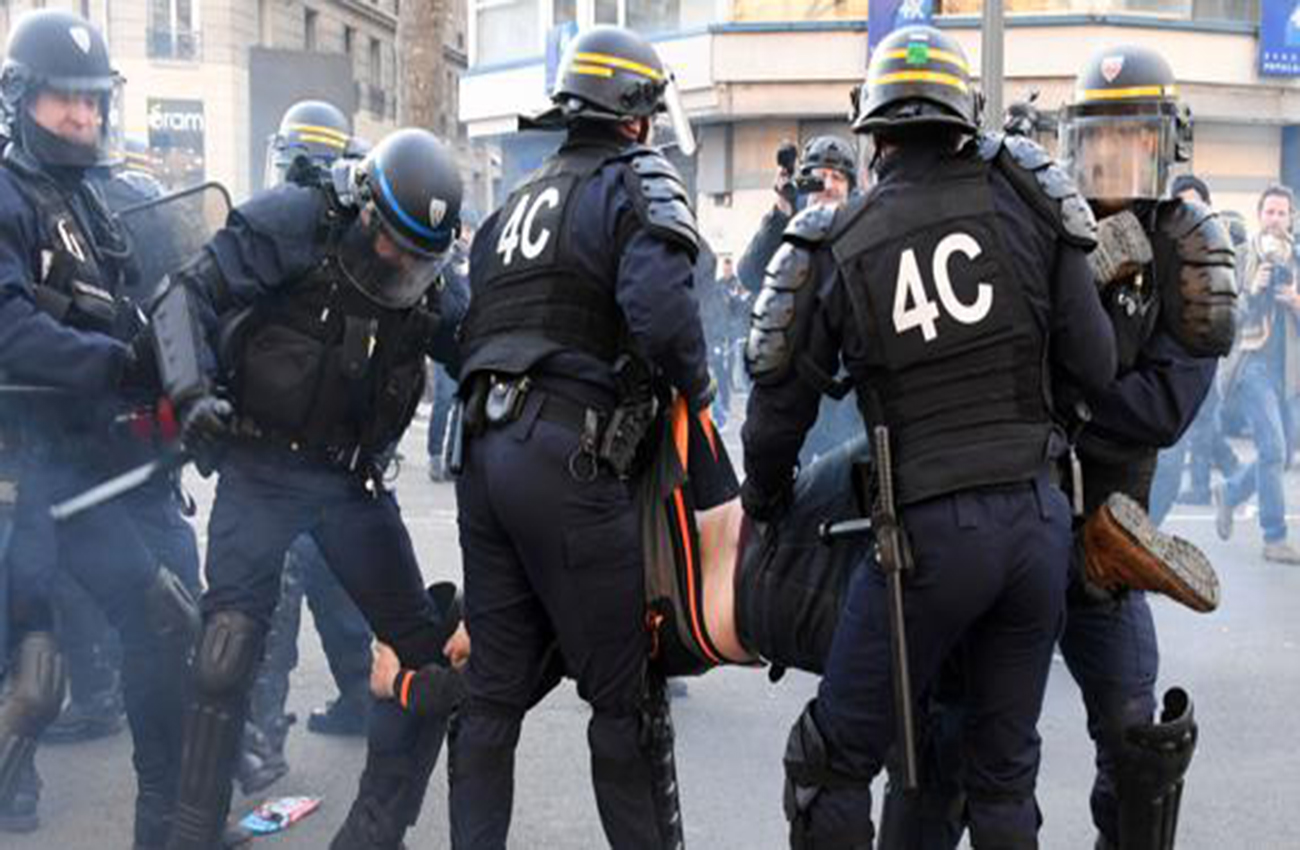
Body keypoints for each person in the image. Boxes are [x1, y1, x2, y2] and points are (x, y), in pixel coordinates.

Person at [740, 26, 1116, 847]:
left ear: (873, 134)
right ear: (962, 117)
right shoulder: (1030, 202)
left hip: (924, 544)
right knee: (1003, 775)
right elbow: (1095, 363)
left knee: (830, 763)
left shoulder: (841, 236)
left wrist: (765, 499)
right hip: (1036, 530)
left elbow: (778, 406)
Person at [882, 44, 1237, 850]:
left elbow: (1165, 406)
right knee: (950, 741)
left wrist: (1053, 403)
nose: (1111, 159)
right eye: (1098, 138)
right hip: (1008, 524)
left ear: (1167, 143)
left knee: (1136, 741)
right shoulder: (1040, 222)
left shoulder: (1188, 245)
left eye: (1132, 139)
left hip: (1107, 549)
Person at [152, 127, 464, 850]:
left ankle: (373, 833)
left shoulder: (429, 273)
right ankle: (191, 836)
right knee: (226, 649)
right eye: (395, 248)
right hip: (260, 467)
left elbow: (483, 345)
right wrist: (191, 392)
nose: (403, 269)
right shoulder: (295, 219)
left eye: (423, 259)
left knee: (421, 654)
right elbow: (185, 293)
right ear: (364, 213)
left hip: (351, 481)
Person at [450, 24, 713, 849]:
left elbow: (473, 329)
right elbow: (664, 313)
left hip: (482, 455)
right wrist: (697, 390)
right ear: (638, 115)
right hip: (570, 456)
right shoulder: (636, 180)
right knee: (622, 699)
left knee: (491, 694)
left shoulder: (514, 206)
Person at [0, 10, 199, 846]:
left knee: (170, 629)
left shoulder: (88, 199)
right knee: (32, 680)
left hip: (108, 469)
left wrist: (189, 367)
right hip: (30, 478)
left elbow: (141, 306)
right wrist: (114, 364)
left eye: (91, 102)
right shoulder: (9, 196)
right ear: (22, 101)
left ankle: (172, 821)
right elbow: (7, 326)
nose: (82, 117)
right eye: (63, 102)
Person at [235, 99, 377, 799]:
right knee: (335, 578)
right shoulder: (361, 234)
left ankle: (260, 731)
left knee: (276, 595)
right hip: (343, 455)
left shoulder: (271, 223)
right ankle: (363, 697)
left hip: (283, 450)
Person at [1215, 184, 1300, 563]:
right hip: (1252, 364)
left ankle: (1230, 493)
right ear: (1259, 214)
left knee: (1278, 455)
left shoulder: (1297, 261)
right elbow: (1226, 315)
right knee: (1274, 449)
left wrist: (1296, 302)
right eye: (1270, 212)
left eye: (1283, 213)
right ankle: (1274, 537)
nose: (1276, 219)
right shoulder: (1242, 256)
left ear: (1292, 218)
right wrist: (1253, 288)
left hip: (1290, 371)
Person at [1148, 174, 1240, 524]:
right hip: (1167, 370)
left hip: (1201, 369)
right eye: (1183, 205)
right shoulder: (1158, 247)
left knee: (1197, 441)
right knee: (1168, 465)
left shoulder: (1219, 253)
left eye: (1198, 205)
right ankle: (1145, 536)